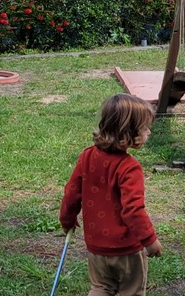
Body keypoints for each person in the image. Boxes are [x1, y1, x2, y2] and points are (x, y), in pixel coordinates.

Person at [60, 94, 163, 295]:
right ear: (128, 132)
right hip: (126, 249)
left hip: (97, 247)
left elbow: (71, 193)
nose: (149, 132)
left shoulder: (87, 156)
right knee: (131, 291)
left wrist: (67, 220)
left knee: (101, 287)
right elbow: (133, 210)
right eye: (144, 128)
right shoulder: (129, 167)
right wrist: (150, 241)